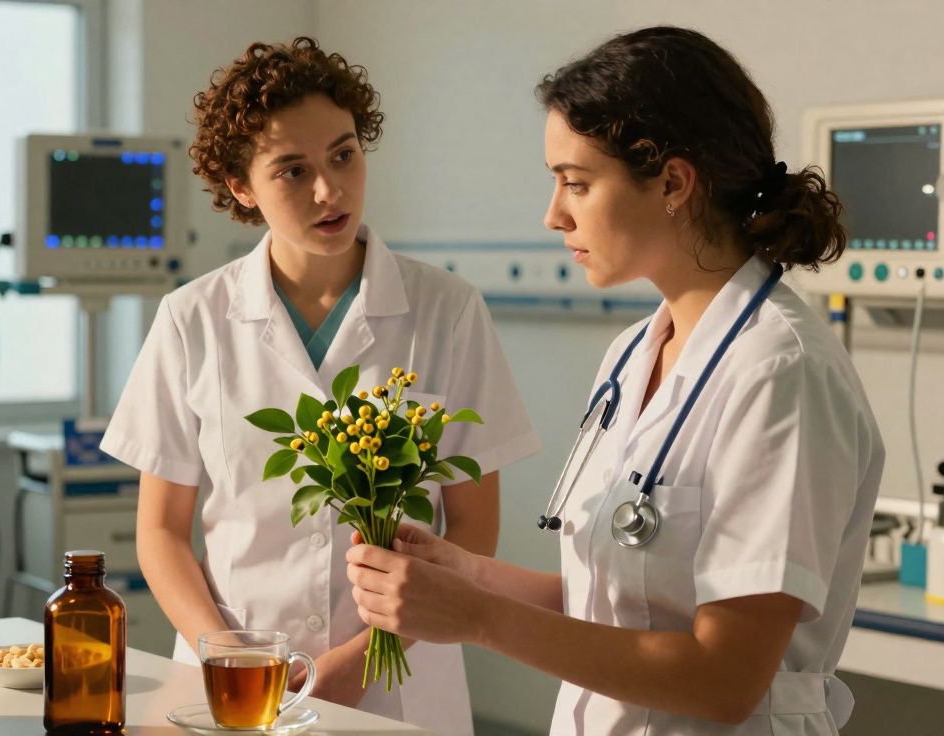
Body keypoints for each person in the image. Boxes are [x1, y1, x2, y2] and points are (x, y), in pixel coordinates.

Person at [346, 26, 884, 735]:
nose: (553, 214)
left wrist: (479, 618)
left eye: (576, 182)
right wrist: (466, 574)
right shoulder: (635, 354)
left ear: (673, 183)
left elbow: (726, 679)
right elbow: (618, 603)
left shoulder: (781, 373)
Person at [100, 37, 539, 735]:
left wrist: (368, 659)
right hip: (231, 678)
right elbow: (160, 530)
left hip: (399, 685)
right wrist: (228, 655)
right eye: (292, 171)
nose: (329, 190)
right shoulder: (192, 319)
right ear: (242, 188)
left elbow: (475, 529)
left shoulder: (447, 311)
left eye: (343, 154)